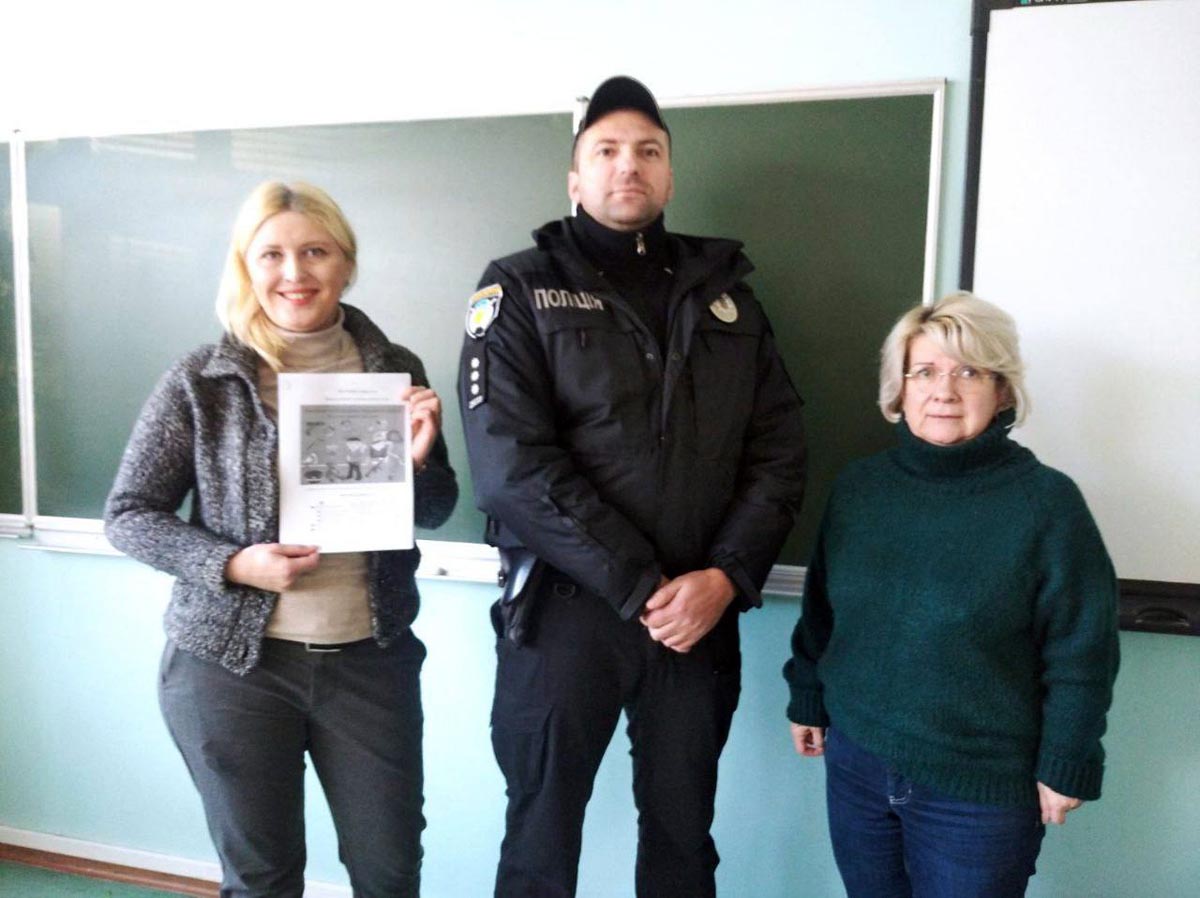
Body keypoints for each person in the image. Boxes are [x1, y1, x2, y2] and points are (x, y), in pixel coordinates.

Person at [459, 76, 807, 897]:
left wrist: (724, 576)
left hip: (698, 617)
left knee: (684, 840)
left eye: (648, 151)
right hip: (564, 614)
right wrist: (643, 584)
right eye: (607, 150)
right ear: (575, 178)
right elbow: (512, 468)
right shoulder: (518, 289)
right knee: (540, 839)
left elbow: (780, 452)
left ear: (670, 176)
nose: (629, 165)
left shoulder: (730, 298)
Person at [105, 181, 457, 898]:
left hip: (370, 662)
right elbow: (130, 514)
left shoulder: (395, 369)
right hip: (234, 670)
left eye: (315, 252)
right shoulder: (203, 379)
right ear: (246, 265)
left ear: (346, 263)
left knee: (390, 871)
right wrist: (233, 563)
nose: (294, 272)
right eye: (272, 254)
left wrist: (419, 461)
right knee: (262, 879)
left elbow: (438, 509)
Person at [784, 292, 1119, 898]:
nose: (944, 391)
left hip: (976, 792)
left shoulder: (1047, 505)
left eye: (969, 372)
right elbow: (823, 612)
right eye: (924, 372)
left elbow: (1081, 651)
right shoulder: (860, 488)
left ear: (1003, 392)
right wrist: (807, 693)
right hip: (857, 762)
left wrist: (1068, 757)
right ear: (900, 389)